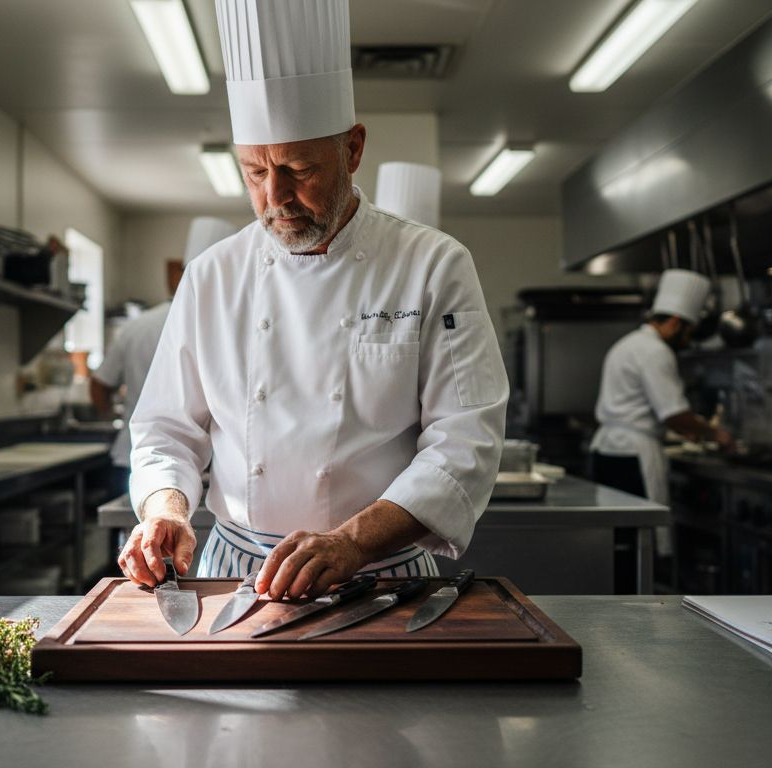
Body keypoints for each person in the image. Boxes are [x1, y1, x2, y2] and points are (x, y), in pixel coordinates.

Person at [118, 0, 508, 601]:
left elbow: (465, 438)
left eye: (298, 168)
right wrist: (165, 508)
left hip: (381, 573)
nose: (276, 197)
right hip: (236, 571)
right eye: (255, 173)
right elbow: (166, 428)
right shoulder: (211, 275)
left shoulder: (433, 264)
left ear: (352, 149)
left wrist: (352, 541)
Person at [90, 216, 237, 487]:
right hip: (198, 463)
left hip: (133, 453)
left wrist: (113, 417)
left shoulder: (137, 326)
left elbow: (99, 385)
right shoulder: (226, 325)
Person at [590, 269, 734, 509]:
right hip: (633, 455)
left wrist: (690, 428)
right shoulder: (656, 351)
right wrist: (715, 434)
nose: (688, 340)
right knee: (639, 526)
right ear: (675, 322)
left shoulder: (627, 344)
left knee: (617, 526)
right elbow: (674, 415)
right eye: (688, 331)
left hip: (607, 449)